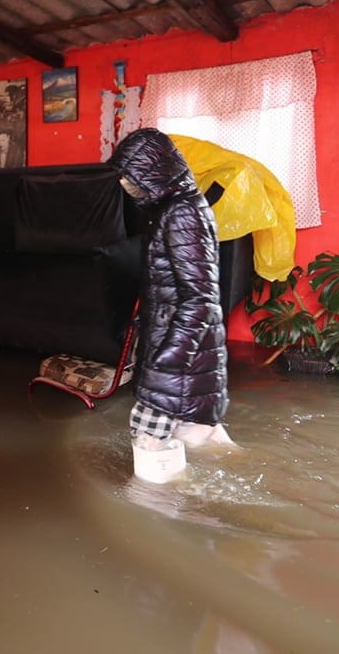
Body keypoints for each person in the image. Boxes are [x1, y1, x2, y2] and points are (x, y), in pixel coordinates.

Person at [107, 128, 233, 454]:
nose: (124, 184)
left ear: (154, 171)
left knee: (148, 441)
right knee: (202, 438)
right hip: (186, 351)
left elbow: (200, 298)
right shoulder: (176, 209)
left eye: (131, 176)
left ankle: (148, 501)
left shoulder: (181, 213)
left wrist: (168, 360)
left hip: (178, 357)